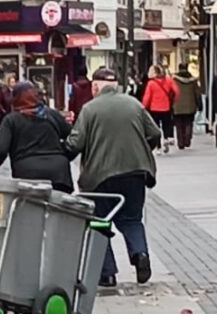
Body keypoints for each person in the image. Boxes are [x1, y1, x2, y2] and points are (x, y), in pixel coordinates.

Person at [66, 68, 161, 288]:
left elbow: (75, 143)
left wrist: (63, 153)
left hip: (100, 176)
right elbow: (155, 133)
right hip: (135, 172)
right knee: (132, 219)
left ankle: (107, 273)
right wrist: (142, 150)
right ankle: (140, 254)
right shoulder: (134, 104)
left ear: (96, 86)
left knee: (100, 221)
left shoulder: (89, 109)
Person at [0, 81, 74, 193]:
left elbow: (1, 150)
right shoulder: (51, 114)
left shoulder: (12, 120)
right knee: (59, 209)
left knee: (31, 209)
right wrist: (64, 154)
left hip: (27, 172)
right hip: (59, 172)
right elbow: (73, 136)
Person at [141, 65, 177, 154]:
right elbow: (176, 91)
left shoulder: (151, 83)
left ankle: (158, 147)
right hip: (166, 108)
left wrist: (143, 107)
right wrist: (173, 102)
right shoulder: (169, 81)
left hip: (154, 109)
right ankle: (166, 139)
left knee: (156, 128)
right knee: (166, 125)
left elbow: (147, 97)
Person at [172, 62, 202, 149]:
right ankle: (187, 139)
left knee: (179, 125)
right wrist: (199, 104)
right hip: (190, 105)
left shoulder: (174, 80)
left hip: (177, 105)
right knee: (189, 123)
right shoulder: (193, 80)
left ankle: (180, 142)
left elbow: (171, 92)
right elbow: (197, 93)